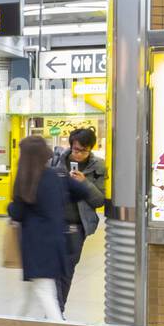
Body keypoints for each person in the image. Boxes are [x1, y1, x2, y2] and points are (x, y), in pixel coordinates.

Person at [9, 135, 94, 321]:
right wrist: (61, 200)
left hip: (35, 245)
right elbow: (83, 191)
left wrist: (11, 207)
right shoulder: (58, 175)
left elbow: (17, 212)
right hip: (57, 241)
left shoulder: (25, 179)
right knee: (29, 292)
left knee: (45, 292)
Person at [50, 127, 107, 313]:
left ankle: (57, 310)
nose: (78, 154)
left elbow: (98, 201)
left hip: (77, 226)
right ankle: (54, 310)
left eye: (84, 150)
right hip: (53, 223)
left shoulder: (98, 166)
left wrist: (85, 183)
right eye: (76, 149)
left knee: (66, 269)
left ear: (91, 148)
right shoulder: (56, 162)